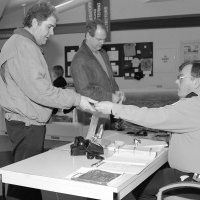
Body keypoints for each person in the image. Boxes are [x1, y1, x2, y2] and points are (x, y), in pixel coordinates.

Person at [0, 2, 96, 200]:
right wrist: (77, 99)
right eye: (49, 27)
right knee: (25, 182)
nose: (51, 33)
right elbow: (41, 91)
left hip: (27, 122)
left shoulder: (23, 44)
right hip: (27, 125)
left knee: (28, 179)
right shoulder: (23, 47)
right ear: (35, 22)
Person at [95, 60, 200, 199]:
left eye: (180, 77)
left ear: (196, 81)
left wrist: (114, 108)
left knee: (134, 185)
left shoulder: (194, 105)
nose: (176, 81)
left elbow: (155, 116)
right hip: (185, 172)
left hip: (190, 179)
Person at [71, 19, 125, 128]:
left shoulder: (103, 53)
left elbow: (110, 78)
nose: (102, 43)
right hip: (92, 115)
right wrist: (110, 96)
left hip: (108, 110)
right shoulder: (79, 59)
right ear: (88, 36)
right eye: (99, 39)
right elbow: (83, 91)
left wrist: (117, 91)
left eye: (104, 39)